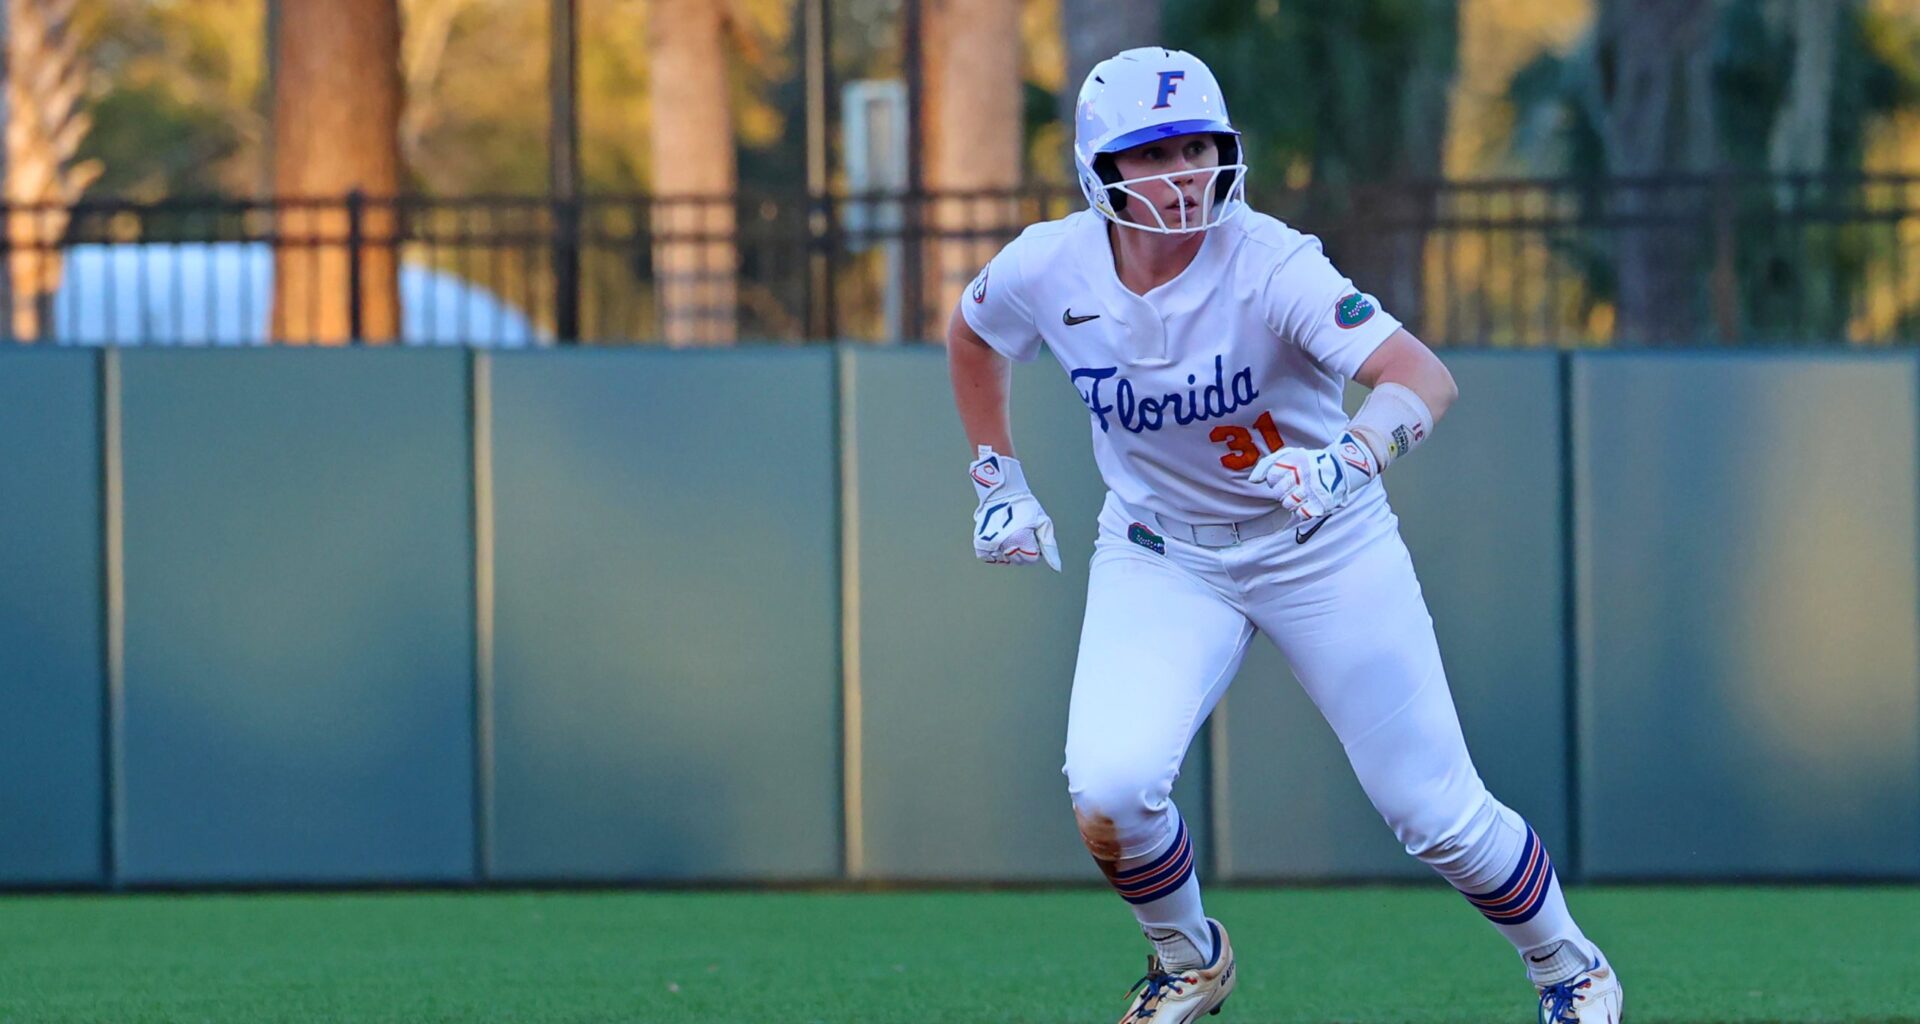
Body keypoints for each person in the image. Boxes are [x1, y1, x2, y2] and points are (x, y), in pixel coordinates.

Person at [946, 47, 1621, 1024]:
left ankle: (1571, 966)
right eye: (1155, 152)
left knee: (1434, 810)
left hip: (1321, 541)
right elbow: (974, 335)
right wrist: (995, 477)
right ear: (1101, 169)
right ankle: (1188, 959)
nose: (1184, 173)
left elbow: (1421, 376)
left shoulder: (1270, 262)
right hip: (1160, 550)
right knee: (1111, 786)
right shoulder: (1051, 264)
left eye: (1199, 147)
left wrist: (1347, 458)